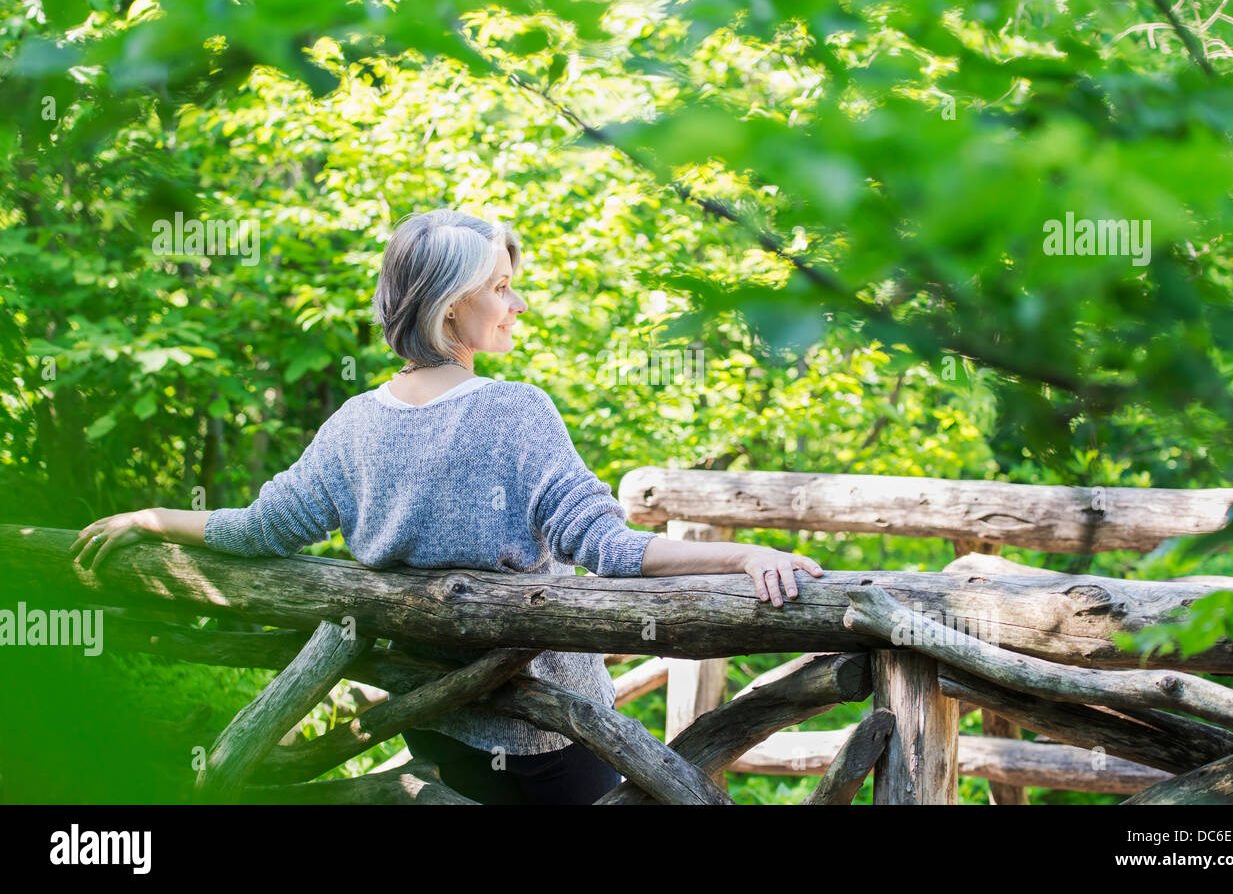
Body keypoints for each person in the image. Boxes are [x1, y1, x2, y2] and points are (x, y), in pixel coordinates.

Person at [68, 207, 824, 804]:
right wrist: (745, 553)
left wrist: (153, 517)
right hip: (556, 734)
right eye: (499, 287)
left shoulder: (353, 426)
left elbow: (260, 529)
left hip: (432, 728)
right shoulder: (517, 410)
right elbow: (610, 548)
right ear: (447, 307)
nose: (516, 303)